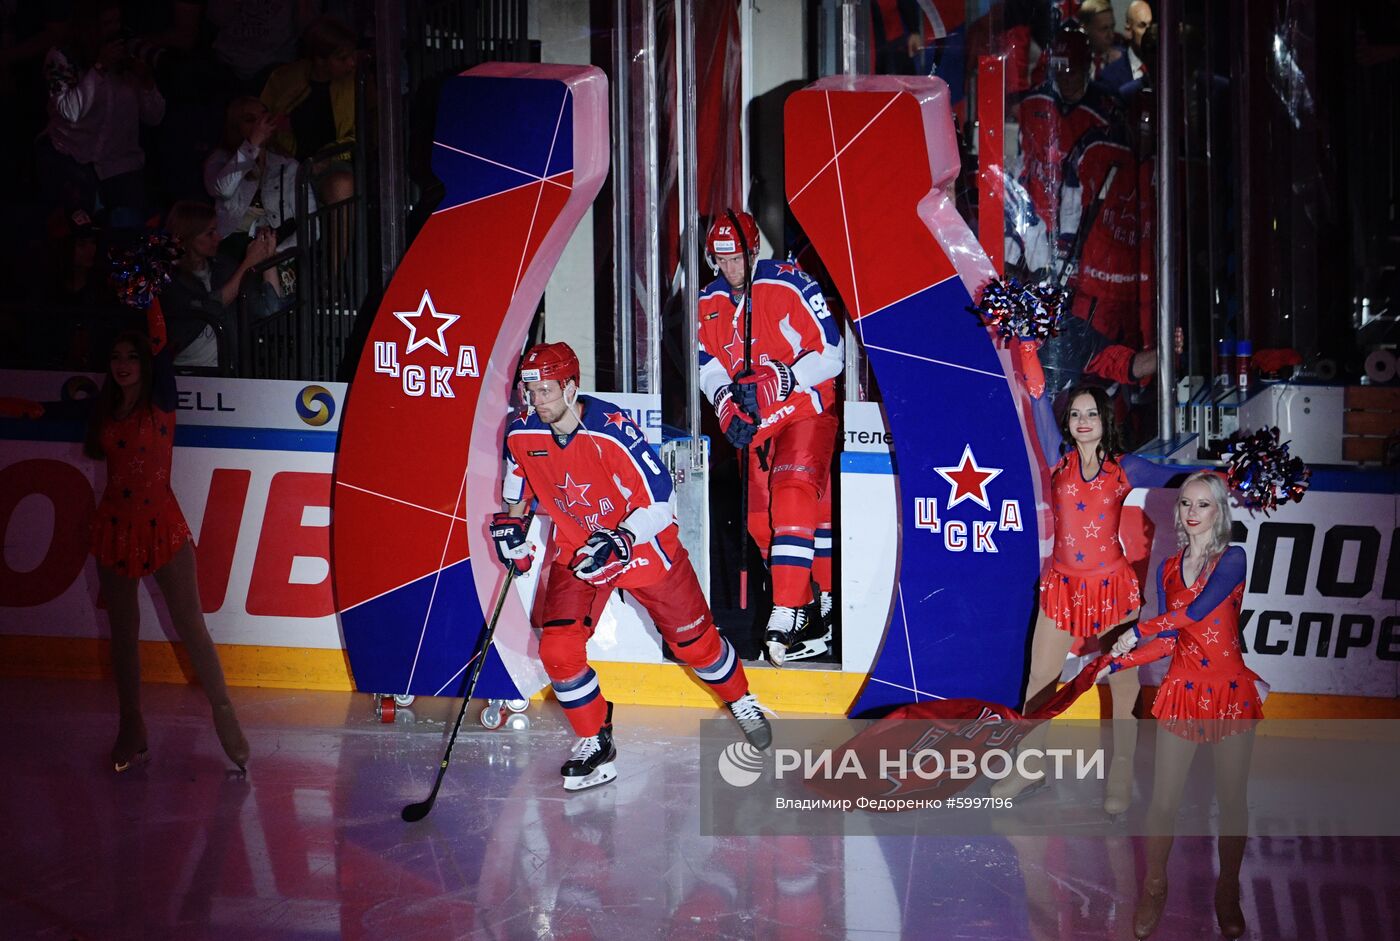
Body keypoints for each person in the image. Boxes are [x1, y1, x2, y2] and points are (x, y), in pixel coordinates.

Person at [494, 342, 774, 791]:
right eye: (531, 393)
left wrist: (622, 537)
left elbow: (663, 502)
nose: (536, 402)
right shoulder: (522, 432)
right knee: (558, 652)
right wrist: (511, 523)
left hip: (645, 551)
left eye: (545, 391)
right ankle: (595, 739)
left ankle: (741, 699)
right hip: (579, 552)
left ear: (571, 387)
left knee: (696, 647)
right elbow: (517, 486)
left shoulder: (612, 429)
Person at [40, 301, 250, 773]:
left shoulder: (162, 401)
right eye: (116, 357)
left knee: (191, 626)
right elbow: (46, 411)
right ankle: (131, 729)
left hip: (162, 527)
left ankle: (224, 716)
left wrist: (151, 295)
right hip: (114, 529)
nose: (122, 365)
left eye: (131, 358)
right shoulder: (103, 409)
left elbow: (160, 348)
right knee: (123, 635)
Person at [992, 385, 1183, 814]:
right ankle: (1028, 767)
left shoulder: (1124, 467)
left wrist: (1244, 476)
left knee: (1122, 684)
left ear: (1105, 420)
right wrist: (1027, 344)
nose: (1083, 421)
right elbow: (1038, 398)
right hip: (1063, 586)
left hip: (1113, 589)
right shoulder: (1058, 458)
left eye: (1092, 414)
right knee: (1040, 679)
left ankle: (1121, 771)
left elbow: (1183, 479)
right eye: (1076, 413)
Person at [1102, 471, 1262, 939]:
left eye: (1203, 505)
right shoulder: (1168, 568)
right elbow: (1173, 637)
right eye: (1187, 505)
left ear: (1219, 511)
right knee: (1163, 800)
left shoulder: (1233, 559)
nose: (1193, 514)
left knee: (1232, 800)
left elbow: (1195, 613)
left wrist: (1139, 629)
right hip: (1183, 691)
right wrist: (1118, 660)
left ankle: (1227, 890)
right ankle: (1154, 886)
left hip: (1230, 692)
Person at [697, 211, 843, 666]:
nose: (731, 269)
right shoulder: (708, 299)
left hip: (803, 407)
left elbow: (832, 352)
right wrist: (723, 403)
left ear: (754, 249)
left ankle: (784, 609)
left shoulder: (789, 281)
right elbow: (708, 363)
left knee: (793, 493)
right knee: (762, 522)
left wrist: (783, 379)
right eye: (722, 260)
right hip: (757, 421)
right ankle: (811, 605)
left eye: (737, 258)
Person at [38, 0, 165, 222]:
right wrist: (99, 68)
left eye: (117, 21)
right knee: (74, 238)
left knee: (128, 236)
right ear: (88, 26)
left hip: (121, 165)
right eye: (106, 23)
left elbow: (155, 117)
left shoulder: (129, 55)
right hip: (71, 158)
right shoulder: (61, 57)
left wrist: (147, 82)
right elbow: (70, 112)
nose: (114, 29)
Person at [162, 200, 283, 370]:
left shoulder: (225, 267)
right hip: (185, 374)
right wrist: (248, 264)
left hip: (228, 373)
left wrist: (268, 260)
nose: (218, 238)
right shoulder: (168, 278)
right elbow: (209, 307)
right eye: (209, 233)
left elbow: (269, 309)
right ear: (186, 237)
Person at [259, 15, 358, 206]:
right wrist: (286, 159)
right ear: (320, 60)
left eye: (353, 56)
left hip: (335, 162)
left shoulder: (356, 83)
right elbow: (262, 125)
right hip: (284, 164)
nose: (352, 63)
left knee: (341, 185)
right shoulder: (282, 79)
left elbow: (364, 133)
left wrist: (326, 158)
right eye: (343, 58)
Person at [204, 97, 310, 250]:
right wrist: (252, 145)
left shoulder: (287, 164)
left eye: (264, 118)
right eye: (250, 120)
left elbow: (309, 222)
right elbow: (223, 190)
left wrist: (276, 254)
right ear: (236, 127)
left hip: (275, 244)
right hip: (234, 242)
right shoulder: (221, 159)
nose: (260, 125)